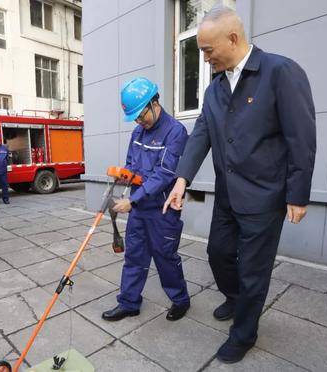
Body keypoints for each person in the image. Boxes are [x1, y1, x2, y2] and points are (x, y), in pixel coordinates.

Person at [163, 5, 316, 363]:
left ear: (233, 38)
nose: (204, 59)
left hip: (265, 197)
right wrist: (182, 179)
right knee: (217, 253)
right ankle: (235, 298)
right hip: (228, 195)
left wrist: (298, 194)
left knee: (253, 270)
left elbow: (302, 137)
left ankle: (244, 333)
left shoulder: (280, 72)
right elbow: (201, 134)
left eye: (207, 50)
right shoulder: (215, 89)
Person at [102, 77, 191, 322]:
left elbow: (165, 173)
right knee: (134, 256)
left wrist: (133, 201)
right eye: (136, 118)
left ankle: (181, 300)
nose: (140, 121)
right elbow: (132, 164)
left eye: (141, 116)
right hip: (139, 207)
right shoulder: (138, 132)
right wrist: (122, 179)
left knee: (165, 257)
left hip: (162, 209)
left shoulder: (175, 132)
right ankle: (129, 303)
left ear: (154, 103)